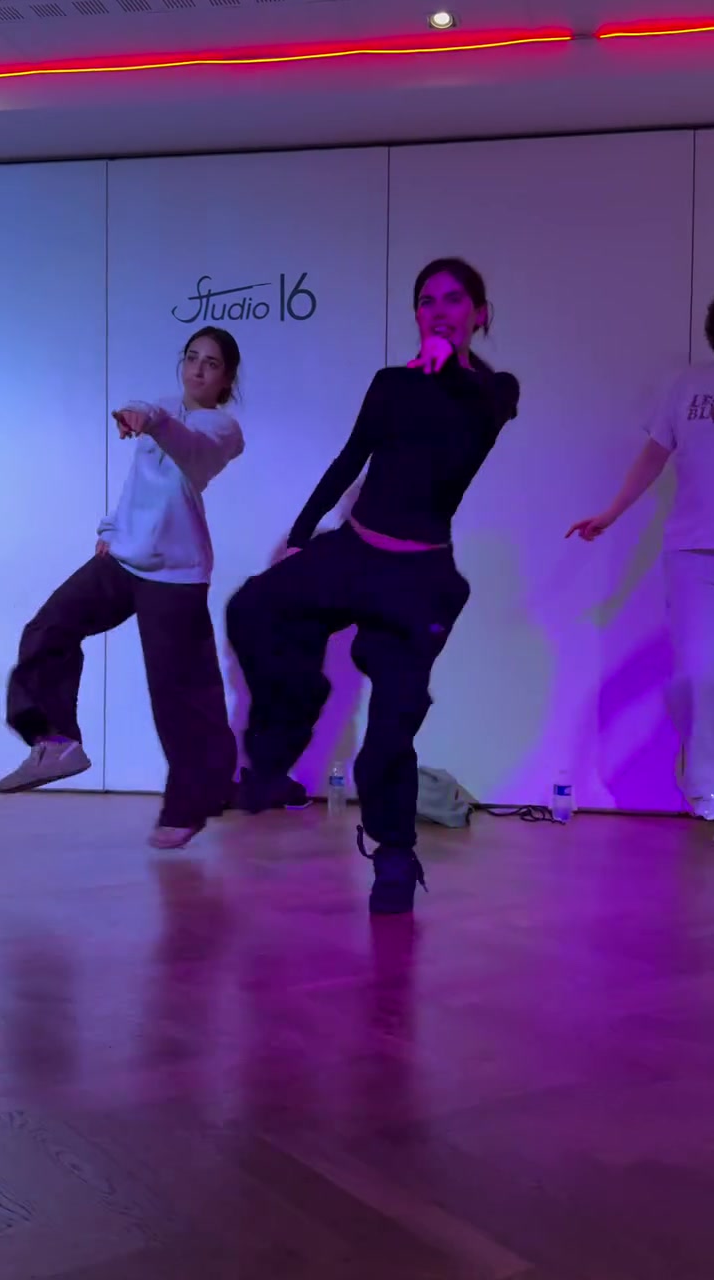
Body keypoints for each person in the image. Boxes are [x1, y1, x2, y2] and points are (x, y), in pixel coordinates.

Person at [226, 258, 520, 913]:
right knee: (254, 606)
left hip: (419, 581)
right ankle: (278, 748)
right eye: (427, 301)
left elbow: (475, 428)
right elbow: (349, 459)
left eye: (453, 300)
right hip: (355, 551)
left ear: (479, 314)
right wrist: (300, 534)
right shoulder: (390, 384)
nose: (438, 311)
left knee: (390, 733)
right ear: (416, 314)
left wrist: (446, 368)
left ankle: (394, 855)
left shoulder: (494, 393)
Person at [0, 326, 244, 850]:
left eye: (211, 363)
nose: (198, 369)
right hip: (124, 560)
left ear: (226, 379)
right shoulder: (158, 409)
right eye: (192, 357)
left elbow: (189, 450)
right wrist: (111, 530)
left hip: (176, 574)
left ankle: (190, 805)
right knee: (48, 627)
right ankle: (55, 741)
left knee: (178, 693)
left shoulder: (223, 430)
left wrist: (150, 418)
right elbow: (139, 486)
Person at [567, 292, 714, 824]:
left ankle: (711, 786)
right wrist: (611, 513)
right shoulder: (688, 386)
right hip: (694, 554)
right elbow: (654, 456)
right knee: (697, 675)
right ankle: (706, 787)